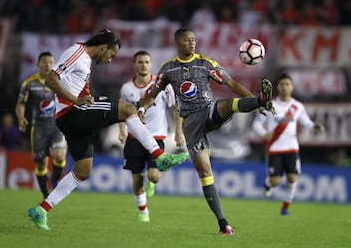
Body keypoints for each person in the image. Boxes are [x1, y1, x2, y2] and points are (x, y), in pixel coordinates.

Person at [27, 29, 188, 230]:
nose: (110, 60)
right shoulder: (77, 53)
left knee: (82, 171)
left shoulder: (84, 61)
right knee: (128, 109)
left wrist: (84, 98)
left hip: (69, 117)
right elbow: (51, 79)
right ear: (103, 47)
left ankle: (41, 210)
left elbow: (76, 87)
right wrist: (76, 100)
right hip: (73, 111)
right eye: (111, 55)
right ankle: (160, 155)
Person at [138, 28, 274, 235]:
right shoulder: (168, 69)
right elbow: (153, 94)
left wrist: (258, 104)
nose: (192, 43)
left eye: (193, 39)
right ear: (177, 43)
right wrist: (141, 108)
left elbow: (232, 83)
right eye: (187, 40)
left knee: (227, 104)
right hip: (191, 123)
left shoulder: (206, 64)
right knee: (204, 171)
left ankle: (260, 100)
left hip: (208, 110)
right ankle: (223, 223)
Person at [118, 50, 185, 222]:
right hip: (134, 137)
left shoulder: (162, 85)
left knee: (154, 175)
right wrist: (122, 129)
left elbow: (176, 108)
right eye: (140, 62)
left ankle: (152, 181)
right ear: (134, 65)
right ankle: (143, 211)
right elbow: (120, 110)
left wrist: (178, 132)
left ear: (151, 64)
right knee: (136, 178)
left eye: (147, 62)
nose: (144, 65)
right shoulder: (126, 88)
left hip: (157, 137)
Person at [252, 73, 324, 215]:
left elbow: (306, 123)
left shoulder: (297, 106)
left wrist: (315, 126)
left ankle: (285, 207)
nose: (284, 87)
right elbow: (256, 124)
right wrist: (264, 134)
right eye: (282, 84)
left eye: (287, 84)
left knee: (292, 178)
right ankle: (268, 183)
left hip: (292, 148)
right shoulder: (269, 105)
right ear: (277, 87)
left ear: (292, 87)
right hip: (275, 148)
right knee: (276, 182)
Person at [15, 52, 68, 199]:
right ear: (38, 64)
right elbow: (21, 103)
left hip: (57, 125)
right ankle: (46, 193)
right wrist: (21, 118)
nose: (48, 65)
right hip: (39, 128)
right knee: (41, 165)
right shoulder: (29, 83)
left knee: (59, 155)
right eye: (44, 62)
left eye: (51, 62)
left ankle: (55, 178)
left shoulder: (60, 81)